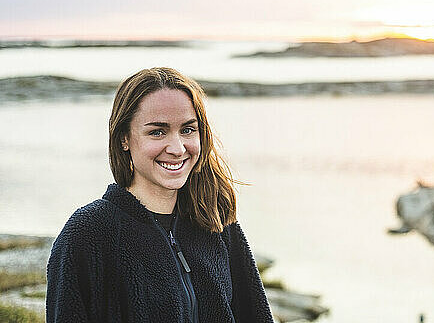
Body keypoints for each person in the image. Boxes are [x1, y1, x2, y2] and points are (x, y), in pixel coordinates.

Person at [46, 67, 274, 323]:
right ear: (124, 138)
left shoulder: (215, 220)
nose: (177, 149)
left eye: (188, 130)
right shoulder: (88, 232)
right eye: (157, 131)